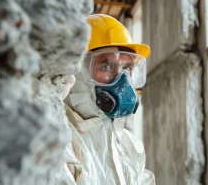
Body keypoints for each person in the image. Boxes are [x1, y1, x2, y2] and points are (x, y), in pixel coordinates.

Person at [64, 14, 155, 184]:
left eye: (127, 67)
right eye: (106, 66)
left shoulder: (129, 145)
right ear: (77, 71)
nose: (122, 79)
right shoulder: (58, 143)